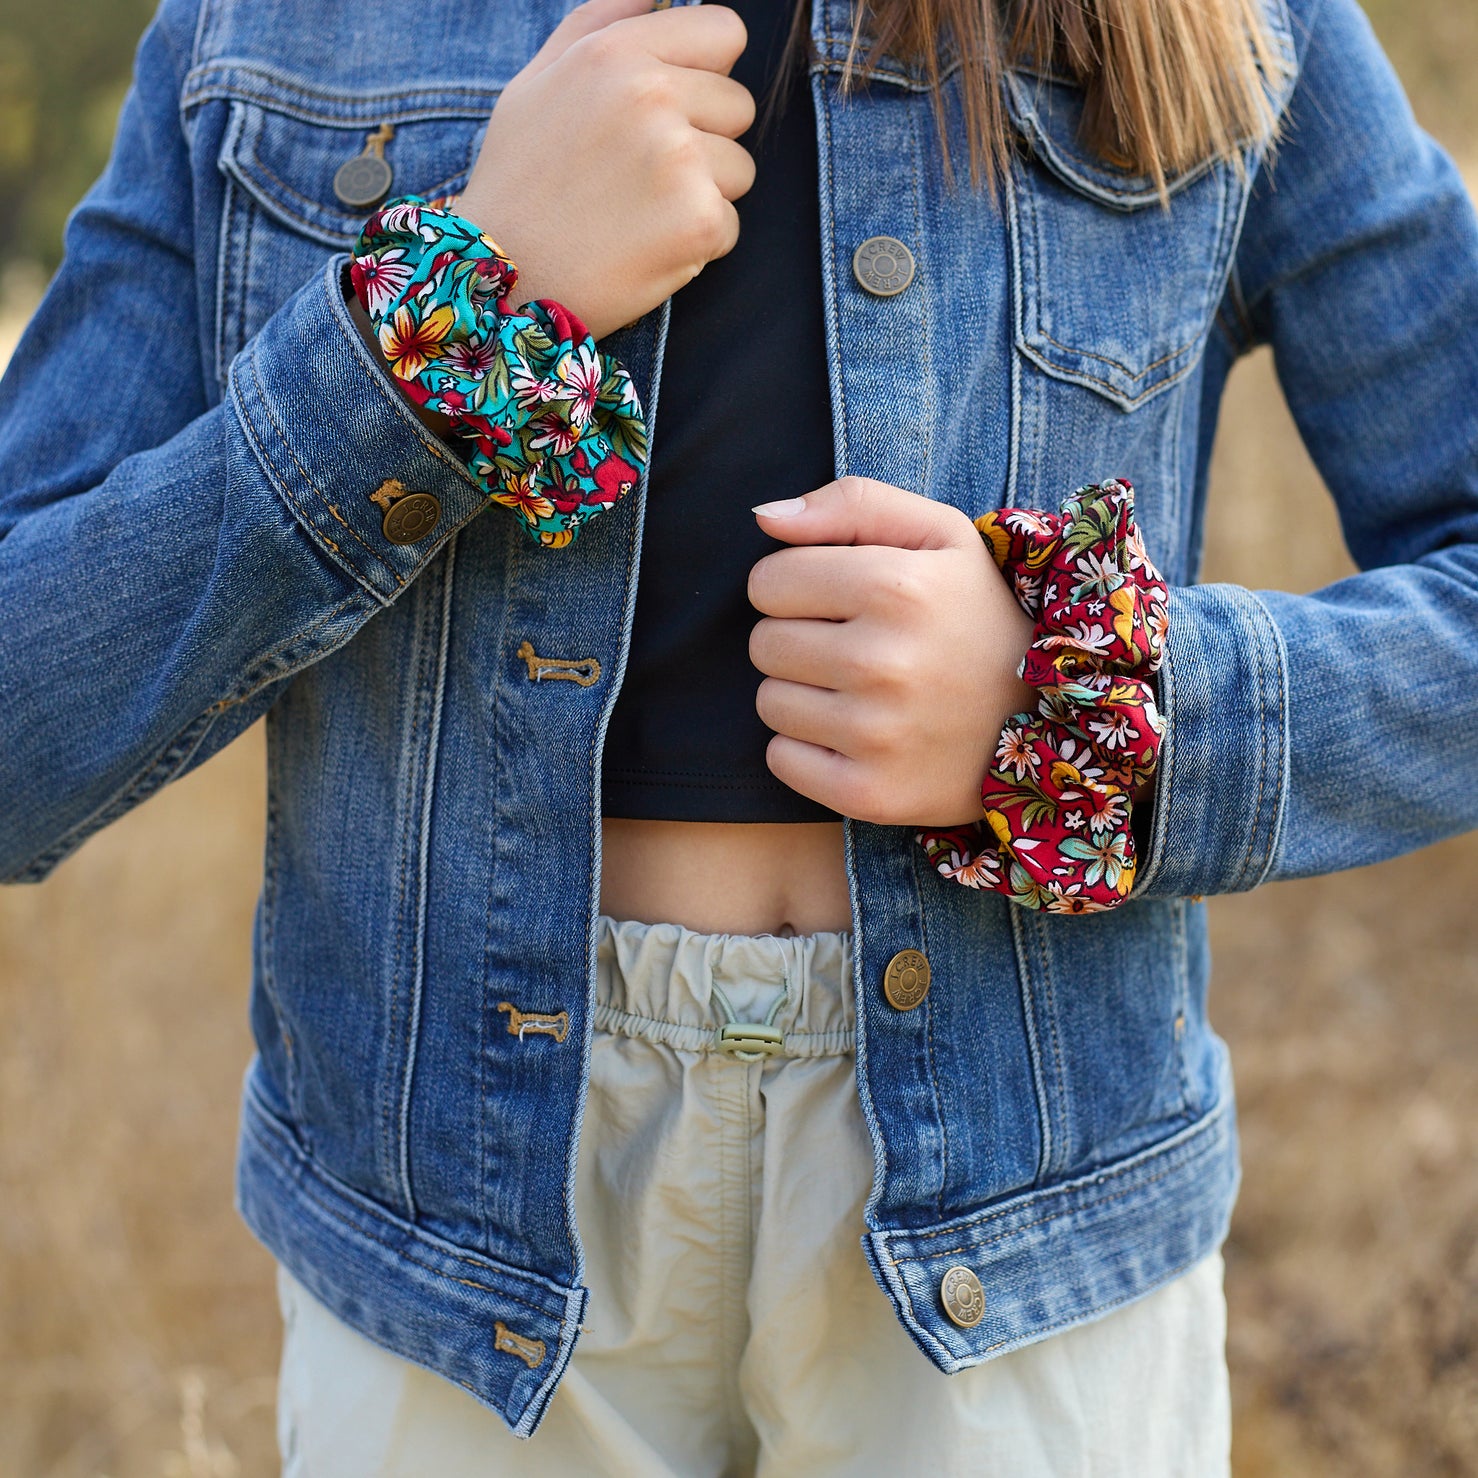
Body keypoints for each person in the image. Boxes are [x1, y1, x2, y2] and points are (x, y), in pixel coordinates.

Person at [1, 0, 1474, 1470]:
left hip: (1026, 1205)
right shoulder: (272, 27)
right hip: (452, 1227)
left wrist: (1077, 701)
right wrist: (449, 321)